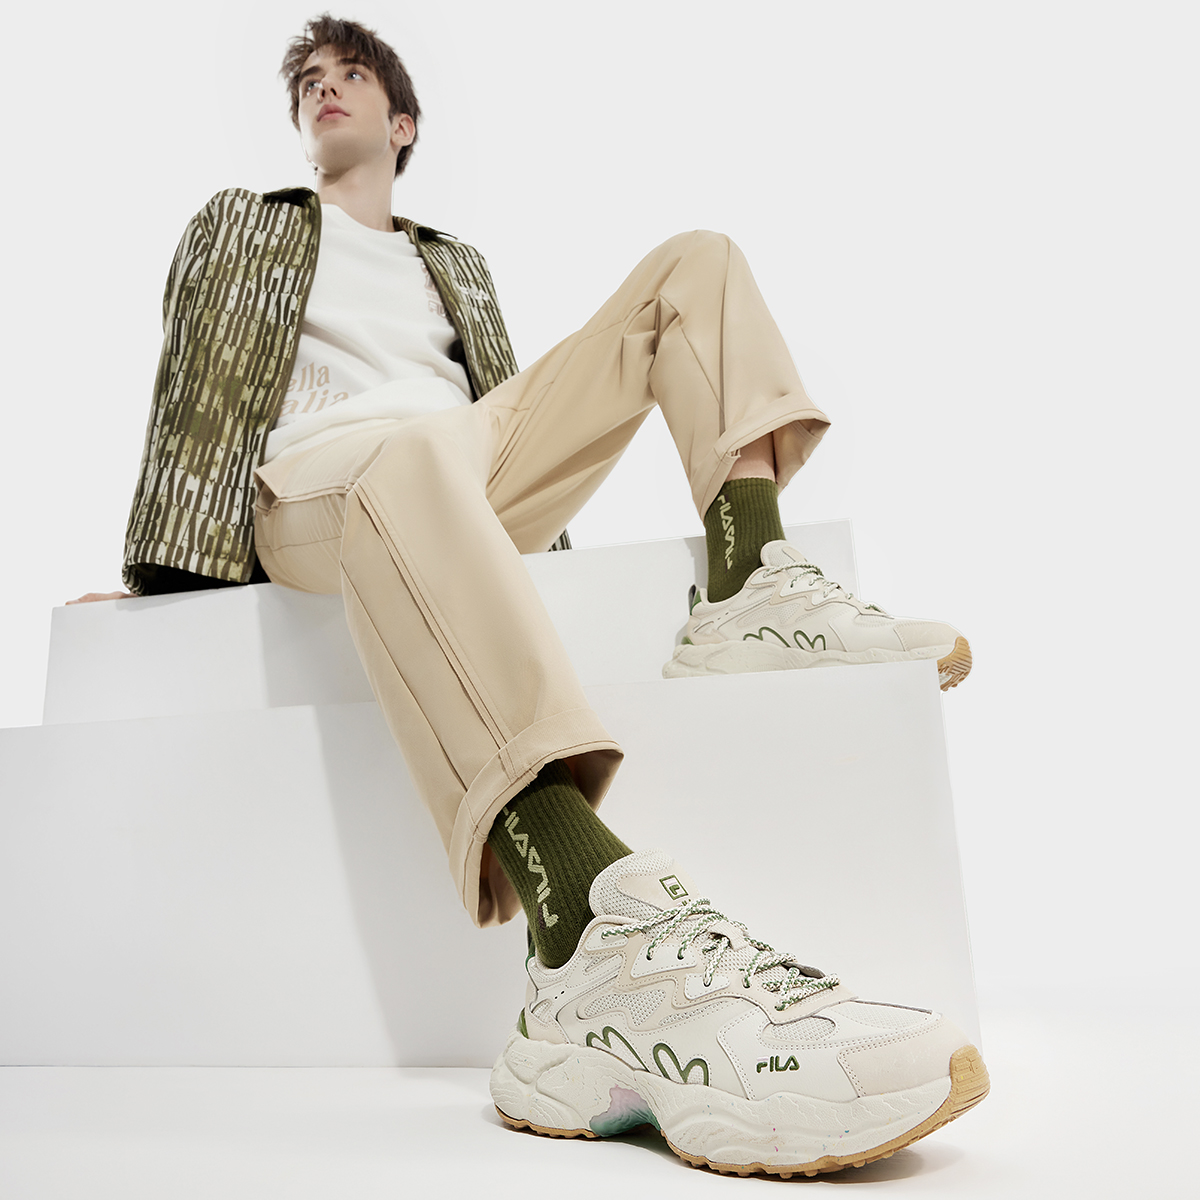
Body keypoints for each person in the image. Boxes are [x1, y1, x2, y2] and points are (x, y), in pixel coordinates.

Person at [73, 14, 987, 1177]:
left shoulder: (451, 263)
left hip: (460, 463)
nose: (324, 89)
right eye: (309, 82)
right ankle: (588, 943)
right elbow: (195, 386)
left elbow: (491, 399)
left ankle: (749, 582)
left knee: (694, 261)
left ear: (404, 123)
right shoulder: (246, 224)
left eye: (351, 74)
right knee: (408, 457)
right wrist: (162, 572)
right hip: (314, 488)